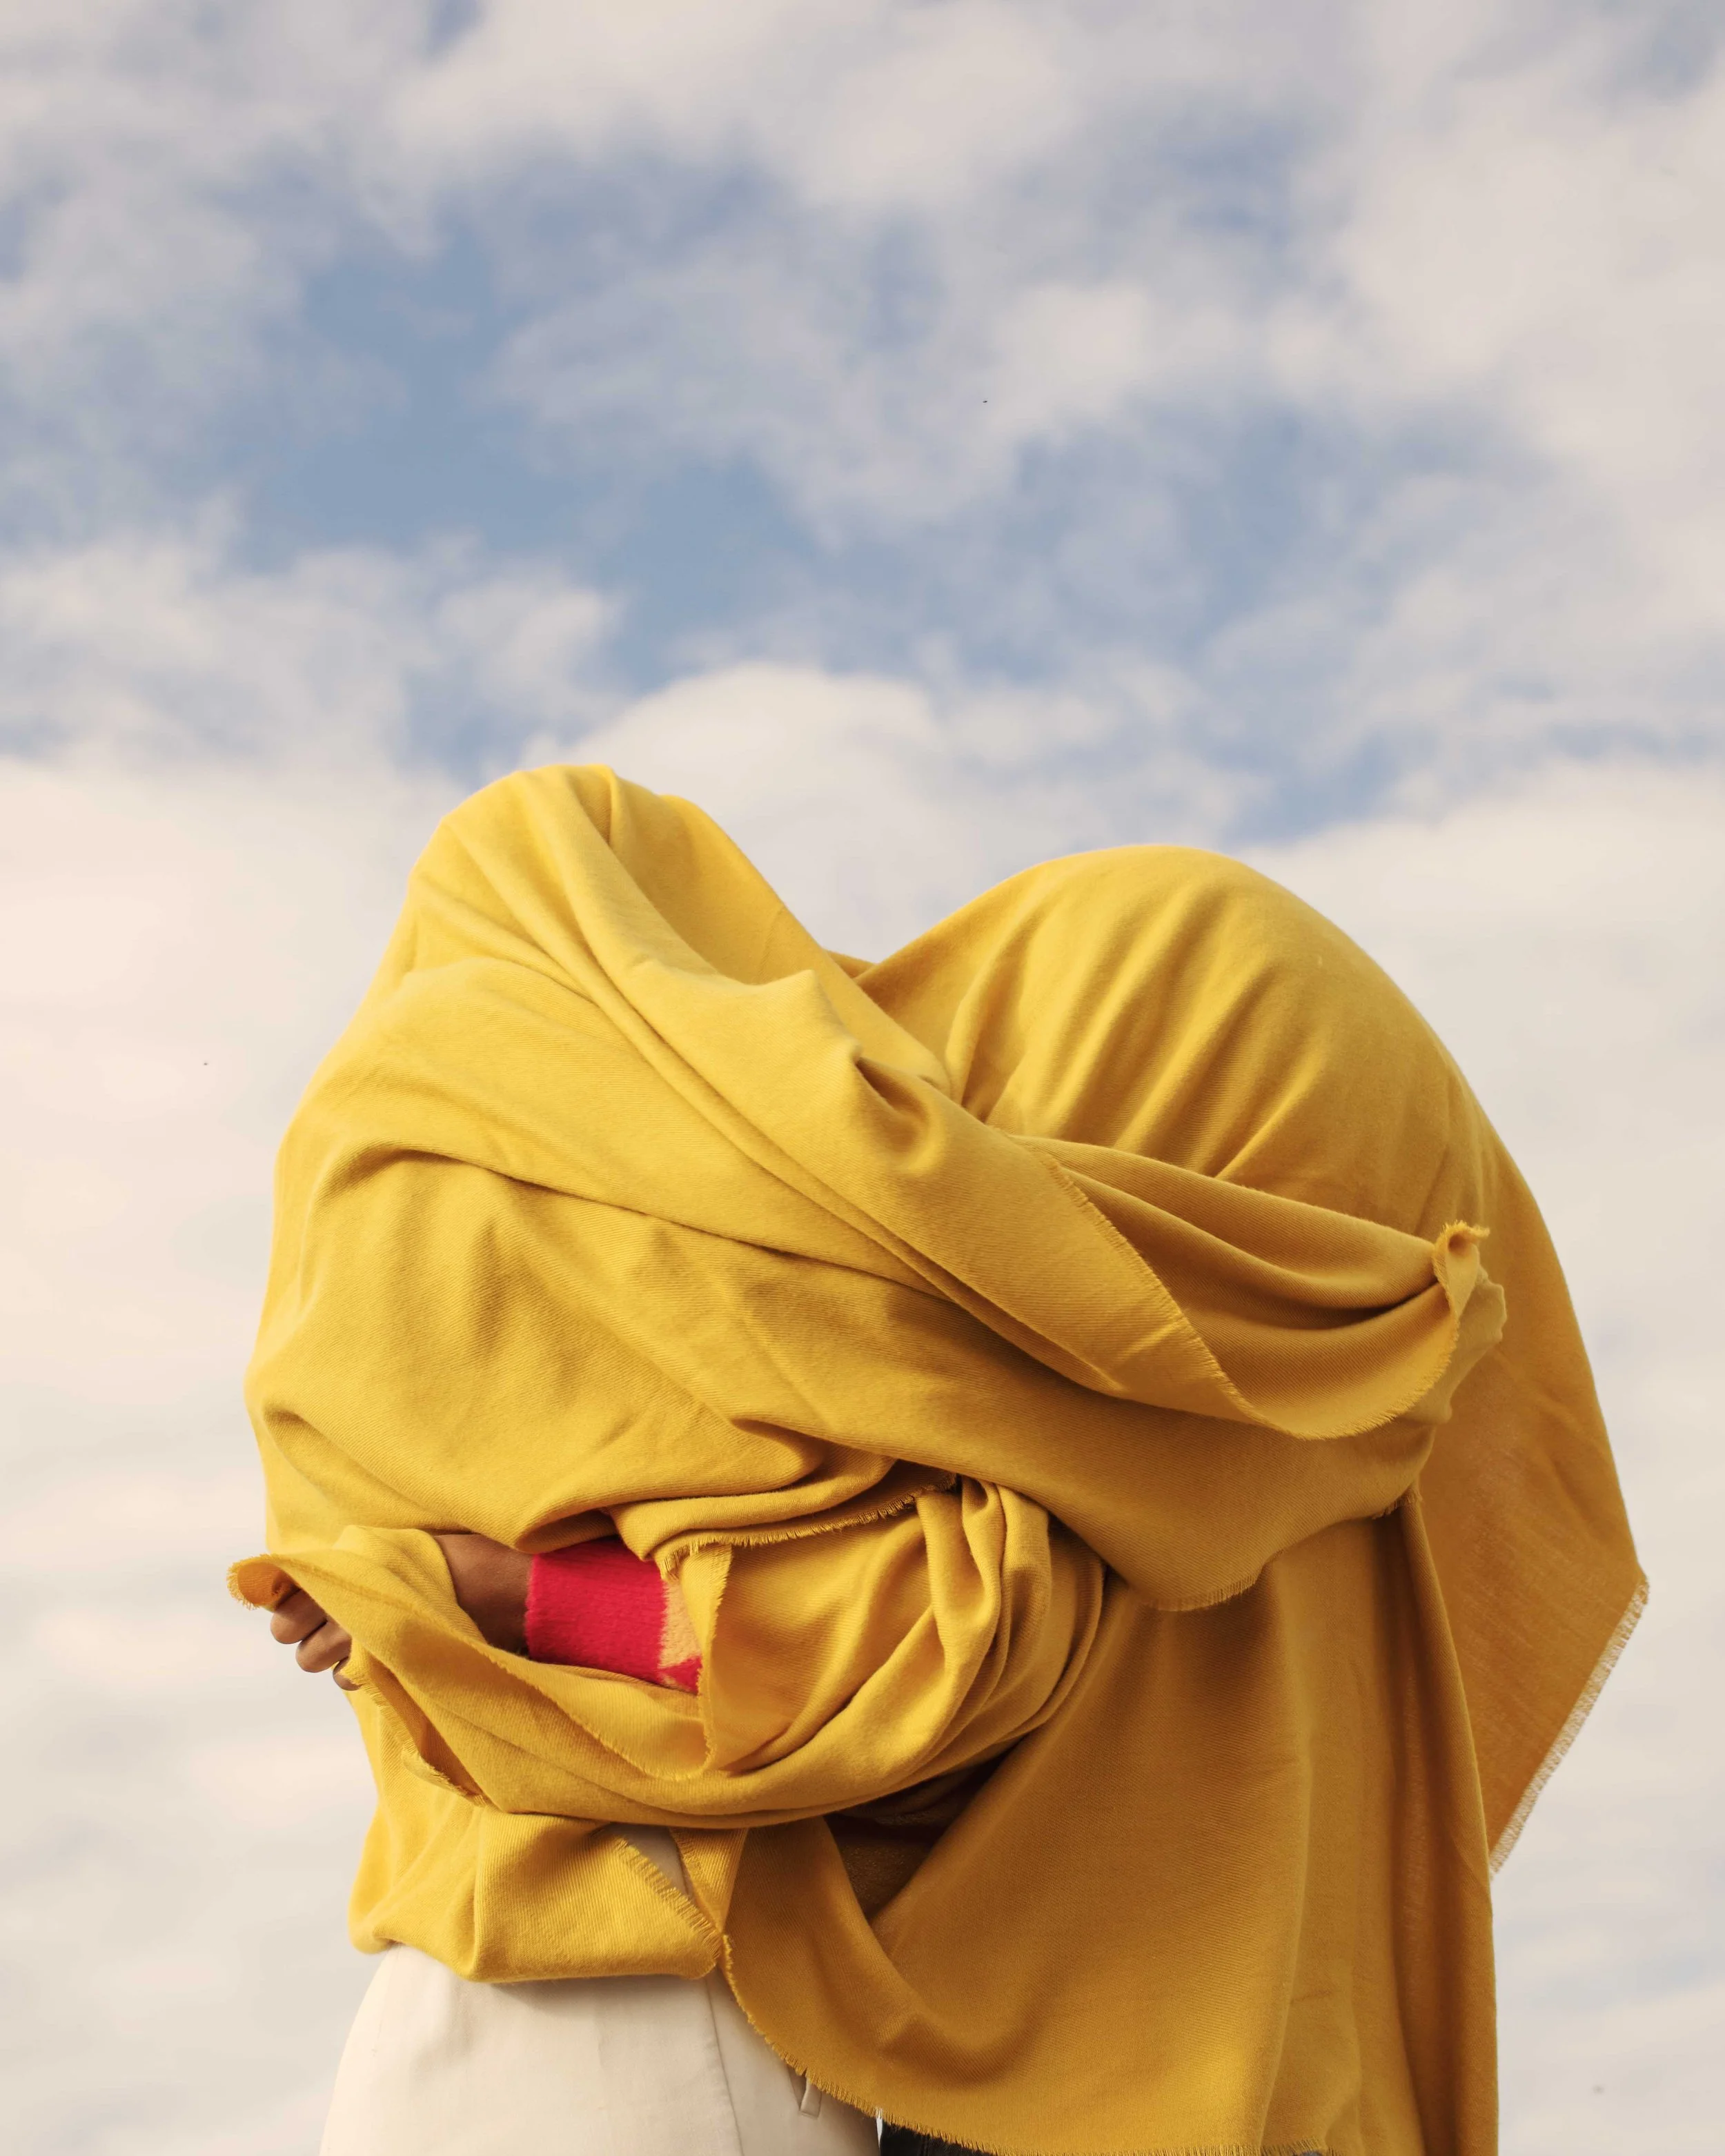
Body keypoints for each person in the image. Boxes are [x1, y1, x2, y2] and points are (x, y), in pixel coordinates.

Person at [236, 764, 1642, 2156]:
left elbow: (874, 1672)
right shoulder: (920, 1356)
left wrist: (483, 1598)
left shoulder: (408, 1212)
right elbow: (906, 1669)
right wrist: (504, 1599)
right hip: (630, 2027)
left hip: (540, 2016)